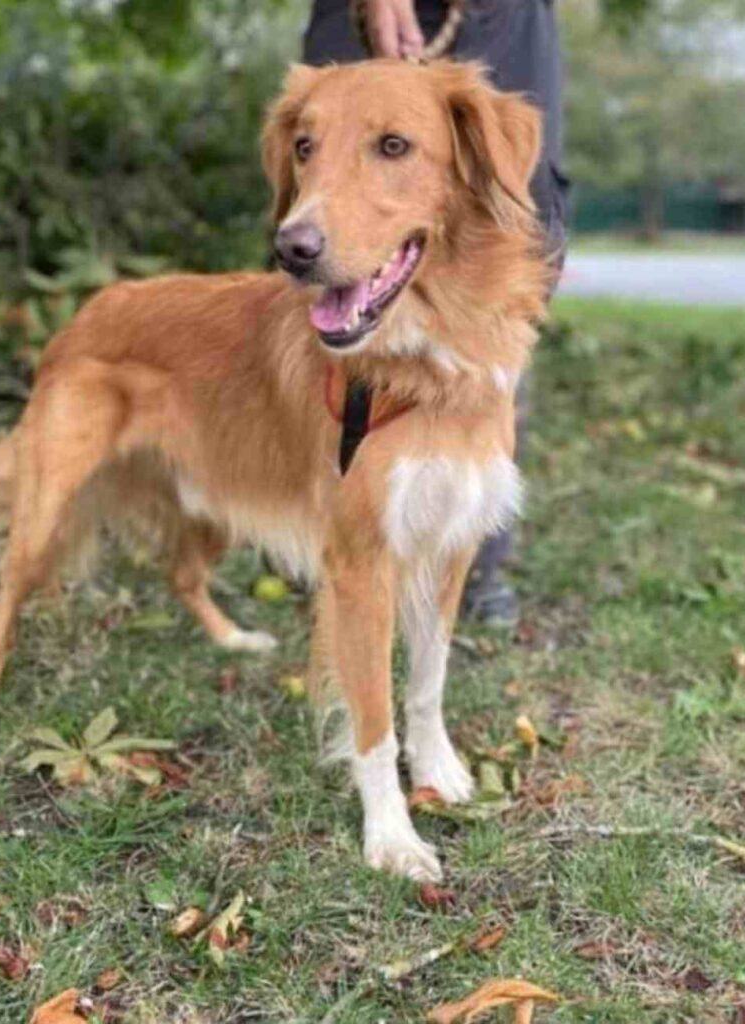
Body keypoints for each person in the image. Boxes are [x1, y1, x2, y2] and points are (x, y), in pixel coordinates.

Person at [301, 0, 569, 624]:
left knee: (519, 219)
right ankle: (336, 532)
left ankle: (464, 553)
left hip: (504, 16)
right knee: (328, 228)